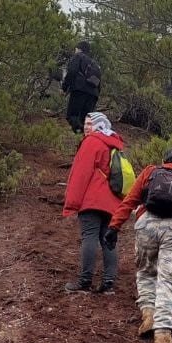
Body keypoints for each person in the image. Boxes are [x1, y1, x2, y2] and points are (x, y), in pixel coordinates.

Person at [105, 147, 172, 343]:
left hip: (146, 224)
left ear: (163, 160)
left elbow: (130, 200)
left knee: (146, 272)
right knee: (168, 280)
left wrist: (114, 226)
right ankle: (163, 335)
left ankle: (148, 315)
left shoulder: (150, 172)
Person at [61, 112, 126, 294]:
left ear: (99, 125)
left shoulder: (91, 142)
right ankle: (108, 283)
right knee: (107, 240)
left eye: (90, 123)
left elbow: (80, 174)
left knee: (89, 237)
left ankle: (85, 281)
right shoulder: (114, 143)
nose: (86, 127)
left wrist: (72, 203)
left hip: (92, 200)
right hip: (111, 202)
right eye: (85, 123)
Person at [61, 41, 102, 133]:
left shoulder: (78, 56)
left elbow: (72, 72)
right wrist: (96, 94)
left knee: (73, 116)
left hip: (80, 90)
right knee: (84, 119)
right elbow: (99, 82)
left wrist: (64, 87)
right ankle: (84, 136)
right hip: (93, 94)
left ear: (79, 49)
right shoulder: (95, 64)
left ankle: (78, 133)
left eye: (75, 48)